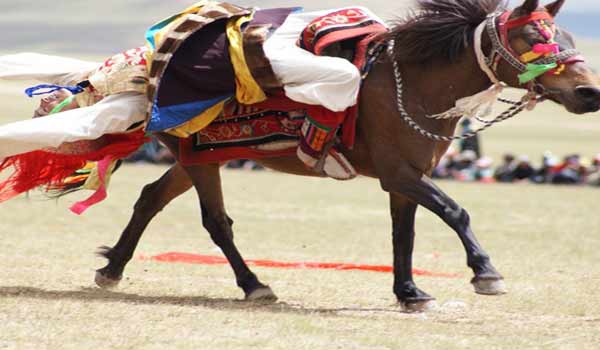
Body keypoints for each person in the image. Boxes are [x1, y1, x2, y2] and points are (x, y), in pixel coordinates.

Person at [1, 3, 386, 181]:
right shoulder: (103, 84)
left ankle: (313, 135)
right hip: (261, 32)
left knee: (343, 80)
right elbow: (35, 66)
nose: (53, 100)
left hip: (256, 45)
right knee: (345, 77)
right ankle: (314, 138)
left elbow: (74, 118)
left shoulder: (106, 95)